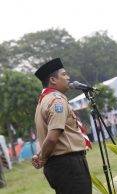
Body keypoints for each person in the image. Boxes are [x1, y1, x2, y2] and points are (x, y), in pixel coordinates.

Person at [32, 58, 92, 194]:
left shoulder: (44, 101)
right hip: (68, 165)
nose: (68, 77)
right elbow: (53, 137)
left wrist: (41, 155)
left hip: (61, 165)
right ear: (53, 80)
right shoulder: (56, 100)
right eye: (64, 74)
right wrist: (42, 158)